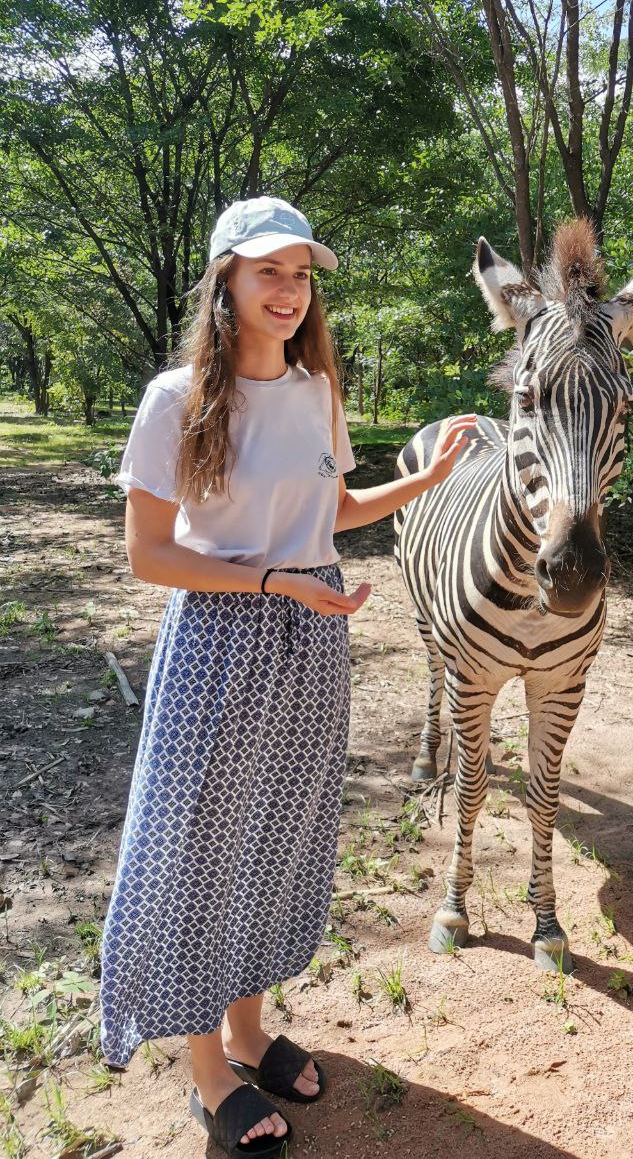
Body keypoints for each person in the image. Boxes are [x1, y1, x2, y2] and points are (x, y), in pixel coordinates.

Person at [99, 196, 475, 1158]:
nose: (289, 289)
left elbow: (332, 509)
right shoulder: (176, 398)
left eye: (301, 274)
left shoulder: (316, 392)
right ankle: (207, 1071)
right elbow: (148, 554)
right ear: (224, 279)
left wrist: (426, 483)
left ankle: (249, 1030)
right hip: (220, 642)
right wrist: (272, 581)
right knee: (201, 851)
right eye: (268, 270)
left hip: (311, 645)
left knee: (277, 836)